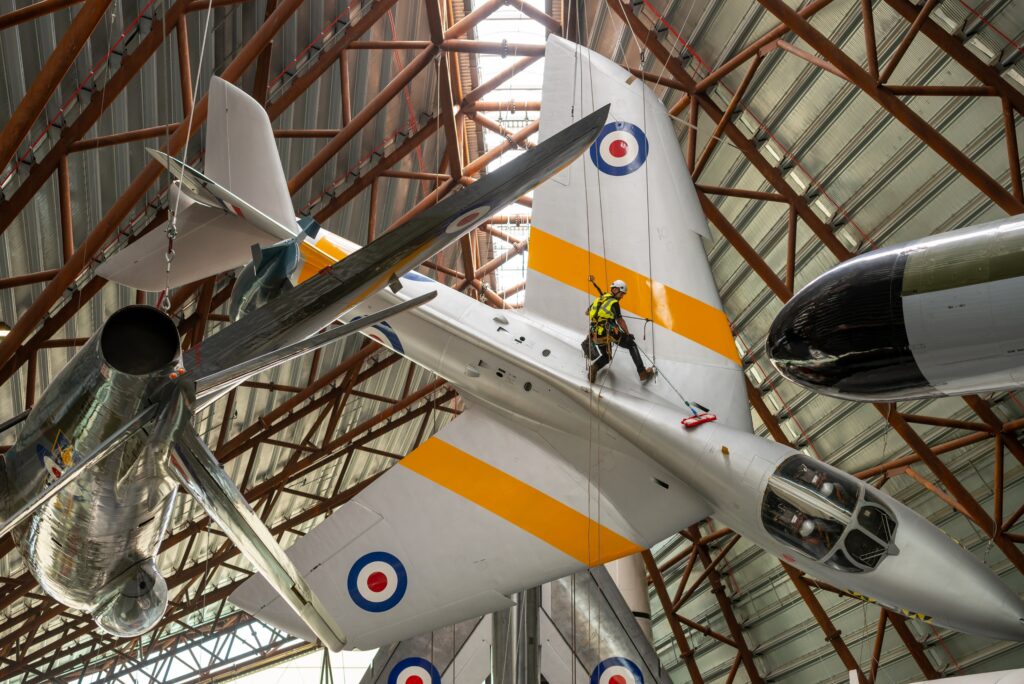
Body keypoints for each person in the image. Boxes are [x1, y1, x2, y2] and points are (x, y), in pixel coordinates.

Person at [585, 279, 655, 384]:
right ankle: (642, 372)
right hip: (607, 332)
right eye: (622, 294)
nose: (622, 297)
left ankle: (594, 367)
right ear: (616, 290)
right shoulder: (614, 303)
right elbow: (620, 321)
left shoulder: (600, 298)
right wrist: (627, 334)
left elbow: (588, 312)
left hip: (595, 333)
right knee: (631, 344)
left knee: (607, 357)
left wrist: (605, 315)